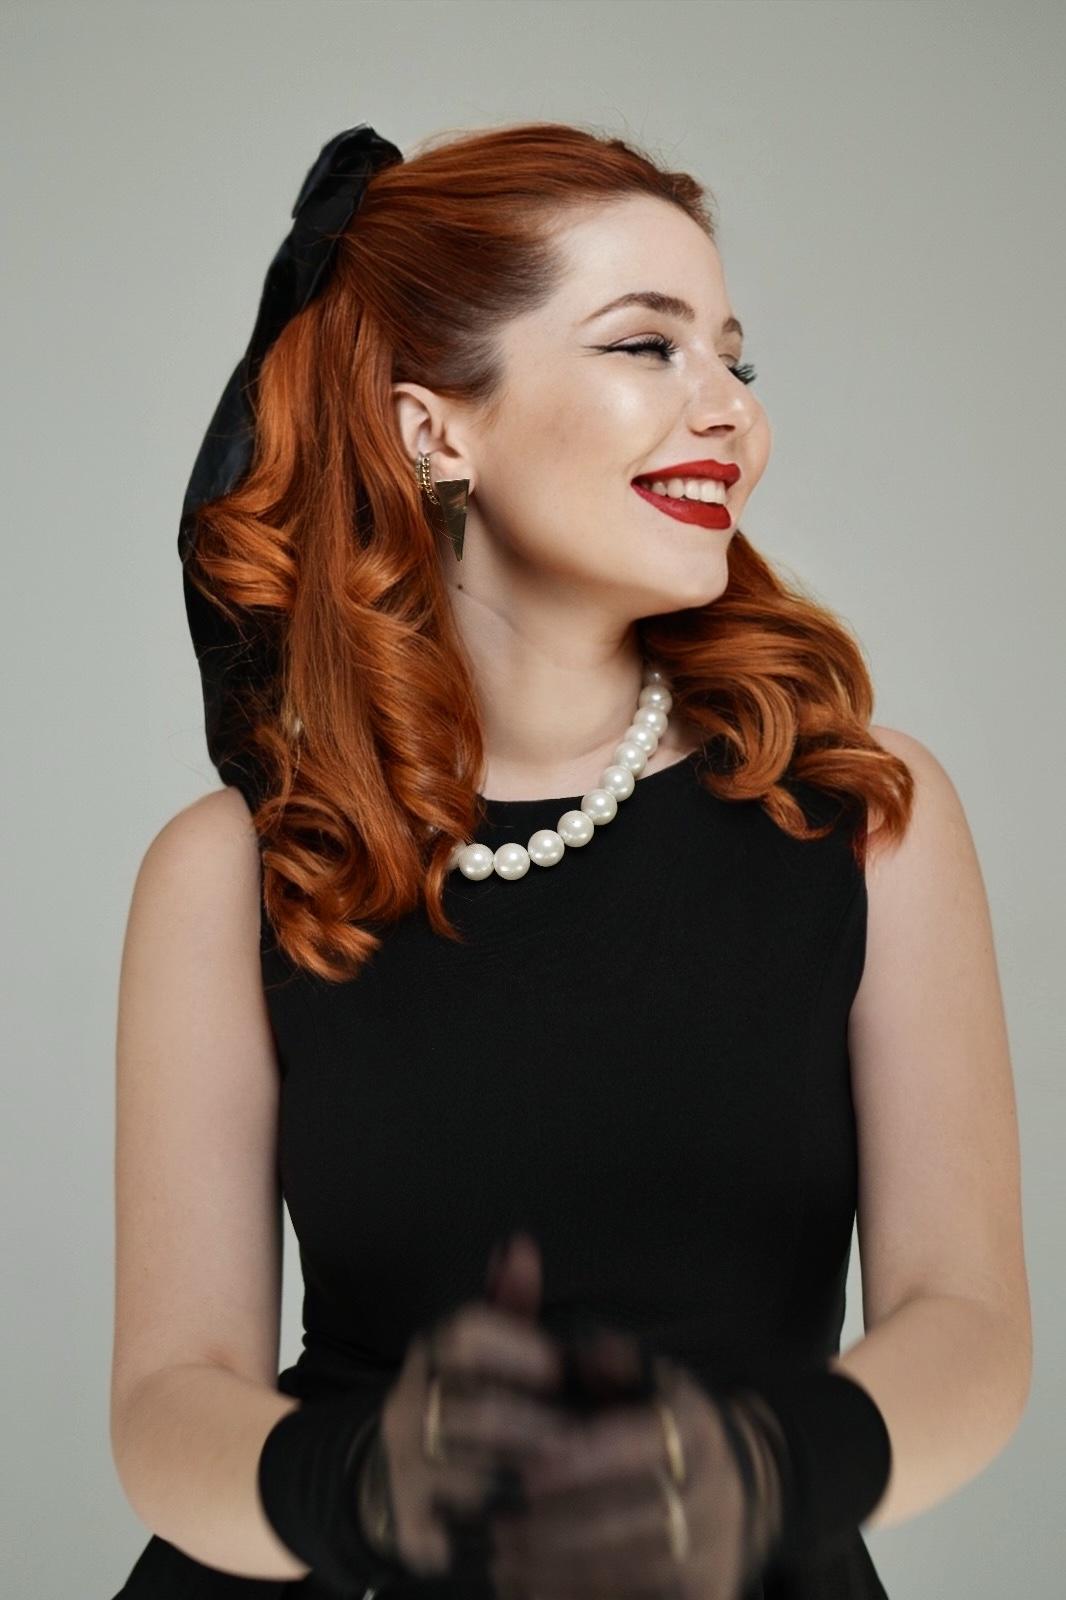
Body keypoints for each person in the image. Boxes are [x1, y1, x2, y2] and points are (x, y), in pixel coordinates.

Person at [109, 122, 1031, 1600]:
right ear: (433, 432)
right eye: (645, 346)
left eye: (735, 359)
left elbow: (969, 1326)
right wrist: (363, 1489)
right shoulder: (230, 873)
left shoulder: (863, 814)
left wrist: (759, 1476)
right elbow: (169, 1403)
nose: (729, 410)